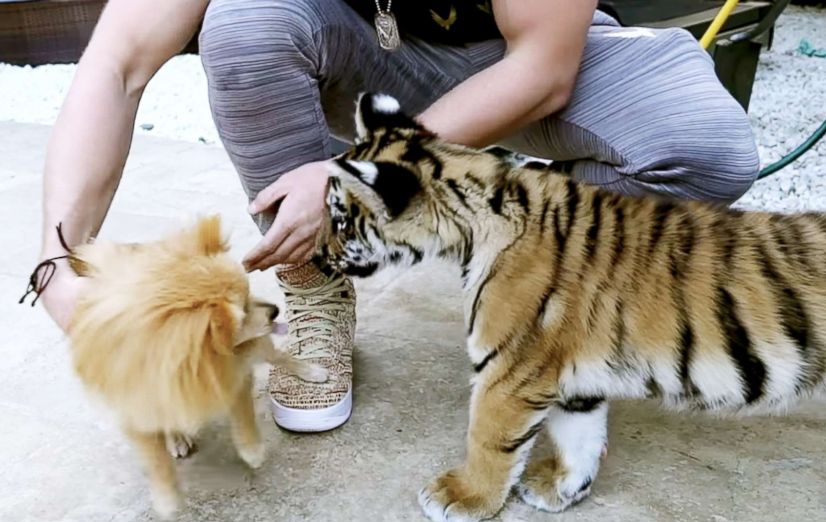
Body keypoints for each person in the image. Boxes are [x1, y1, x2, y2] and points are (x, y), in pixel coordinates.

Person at [35, 0, 759, 434]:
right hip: (364, 52)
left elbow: (542, 68)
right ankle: (316, 282)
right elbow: (118, 62)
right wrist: (57, 262)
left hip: (526, 54)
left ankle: (540, 258)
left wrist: (358, 174)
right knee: (244, 22)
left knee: (703, 146)